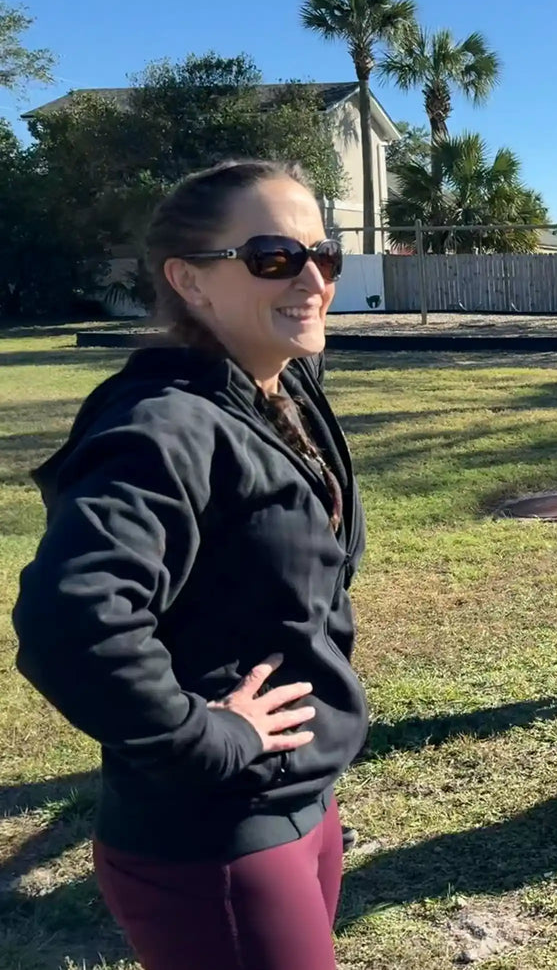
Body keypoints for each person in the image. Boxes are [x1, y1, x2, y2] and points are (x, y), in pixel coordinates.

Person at [13, 160, 367, 970]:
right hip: (216, 838)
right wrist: (208, 736)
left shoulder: (278, 389)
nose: (313, 277)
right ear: (191, 282)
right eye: (274, 256)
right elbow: (69, 620)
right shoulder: (164, 427)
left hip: (298, 801)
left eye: (326, 252)